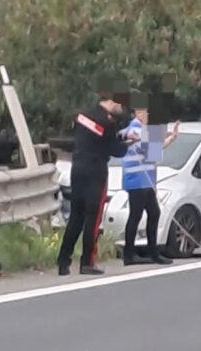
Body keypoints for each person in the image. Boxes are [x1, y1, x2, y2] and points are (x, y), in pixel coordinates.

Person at [57, 91, 137, 276]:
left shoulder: (84, 115)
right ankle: (87, 262)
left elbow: (99, 139)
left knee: (76, 217)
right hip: (95, 172)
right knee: (93, 218)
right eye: (120, 104)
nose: (121, 108)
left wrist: (122, 136)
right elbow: (115, 150)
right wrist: (130, 142)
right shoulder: (108, 122)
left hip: (77, 169)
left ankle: (63, 261)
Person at [121, 95, 180, 266]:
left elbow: (154, 149)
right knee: (137, 215)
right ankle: (131, 254)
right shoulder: (136, 129)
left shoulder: (141, 130)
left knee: (153, 213)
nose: (147, 115)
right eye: (145, 112)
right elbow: (153, 152)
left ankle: (152, 252)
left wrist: (171, 138)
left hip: (145, 181)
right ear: (138, 113)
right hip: (138, 180)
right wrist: (165, 138)